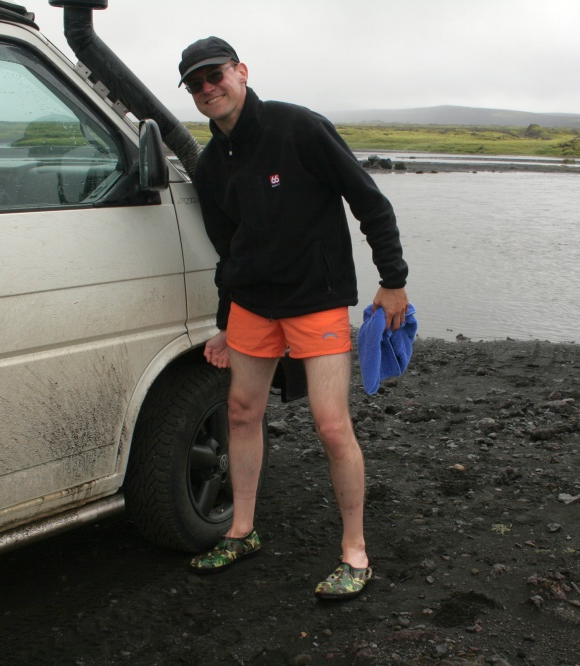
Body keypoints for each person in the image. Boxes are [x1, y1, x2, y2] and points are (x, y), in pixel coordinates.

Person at [178, 36, 409, 600]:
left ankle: (355, 552)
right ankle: (241, 530)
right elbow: (228, 250)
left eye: (215, 75)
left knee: (331, 425)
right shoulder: (210, 166)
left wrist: (393, 280)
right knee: (240, 412)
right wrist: (225, 322)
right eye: (195, 83)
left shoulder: (298, 128)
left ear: (241, 72)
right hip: (252, 306)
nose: (207, 88)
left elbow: (369, 201)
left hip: (316, 297)